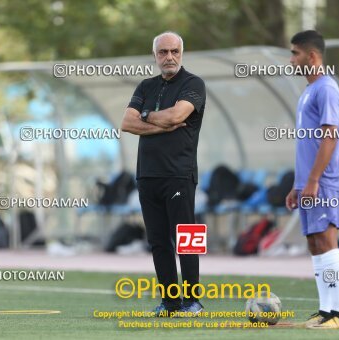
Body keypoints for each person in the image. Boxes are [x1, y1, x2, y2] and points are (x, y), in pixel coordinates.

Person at [121, 31, 206, 316]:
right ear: (155, 55)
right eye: (163, 52)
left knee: (187, 238)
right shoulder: (145, 86)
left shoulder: (193, 84)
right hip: (147, 175)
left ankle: (192, 300)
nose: (169, 57)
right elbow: (127, 122)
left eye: (174, 51)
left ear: (182, 53)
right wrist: (156, 121)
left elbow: (176, 116)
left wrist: (145, 116)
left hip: (179, 173)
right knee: (158, 241)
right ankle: (170, 302)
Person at [285, 30, 339, 329]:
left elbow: (329, 137)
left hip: (324, 181)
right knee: (314, 243)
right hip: (309, 182)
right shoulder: (308, 91)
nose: (291, 59)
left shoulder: (327, 89)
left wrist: (313, 180)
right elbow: (307, 145)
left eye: (295, 53)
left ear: (312, 56)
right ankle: (326, 310)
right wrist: (298, 185)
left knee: (327, 240)